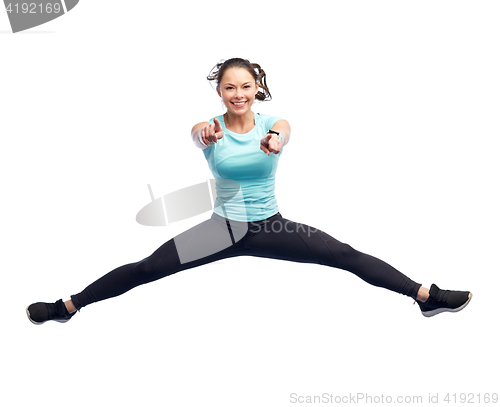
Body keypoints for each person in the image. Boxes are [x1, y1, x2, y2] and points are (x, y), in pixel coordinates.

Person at [26, 58, 472, 324]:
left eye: (246, 86)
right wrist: (205, 135)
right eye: (229, 88)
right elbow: (198, 133)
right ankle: (68, 306)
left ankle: (426, 298)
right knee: (147, 268)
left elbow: (283, 132)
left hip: (270, 226)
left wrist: (275, 141)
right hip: (221, 229)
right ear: (219, 91)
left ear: (257, 87)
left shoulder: (273, 124)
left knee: (345, 255)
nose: (238, 94)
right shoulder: (209, 127)